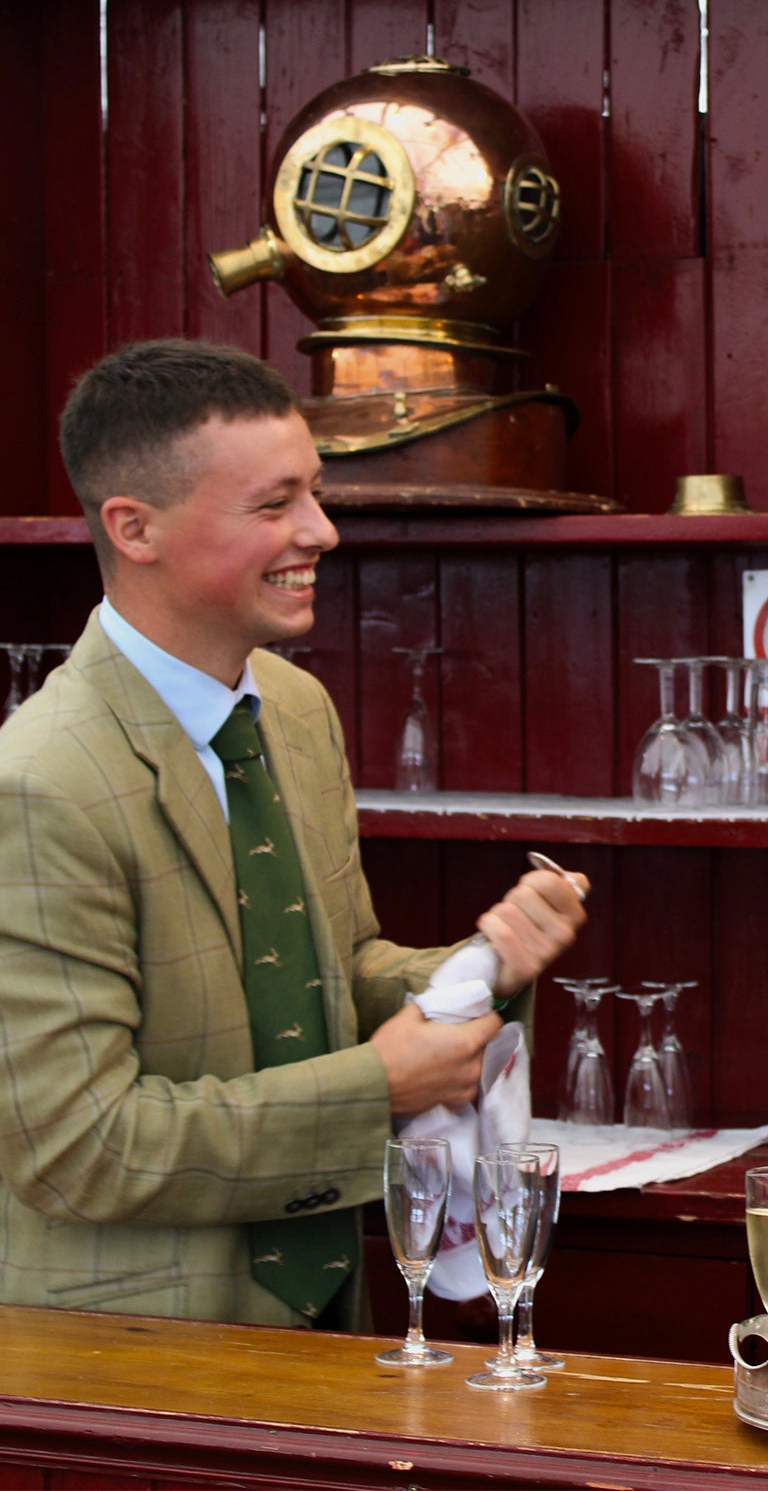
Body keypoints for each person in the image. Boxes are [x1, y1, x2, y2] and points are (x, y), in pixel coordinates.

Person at [0, 339, 588, 1331]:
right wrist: (380, 1086)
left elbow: (331, 970)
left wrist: (478, 968)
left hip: (333, 1321)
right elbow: (80, 1145)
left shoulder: (295, 708)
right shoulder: (40, 784)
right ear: (133, 528)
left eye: (313, 494)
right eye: (274, 505)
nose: (321, 531)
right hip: (133, 1371)